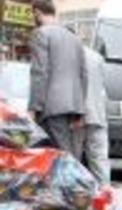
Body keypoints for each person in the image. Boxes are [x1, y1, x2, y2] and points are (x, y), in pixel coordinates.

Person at [28, 0, 88, 159]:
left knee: (62, 157)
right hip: (73, 106)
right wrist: (81, 110)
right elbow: (84, 74)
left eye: (33, 14)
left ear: (38, 13)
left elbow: (40, 72)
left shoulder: (41, 33)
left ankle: (75, 183)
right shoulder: (74, 38)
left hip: (52, 106)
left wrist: (33, 108)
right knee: (61, 154)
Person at [82, 46, 110, 184]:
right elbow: (103, 88)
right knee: (99, 159)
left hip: (80, 115)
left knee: (73, 159)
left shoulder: (71, 54)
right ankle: (105, 194)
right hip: (98, 114)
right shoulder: (97, 57)